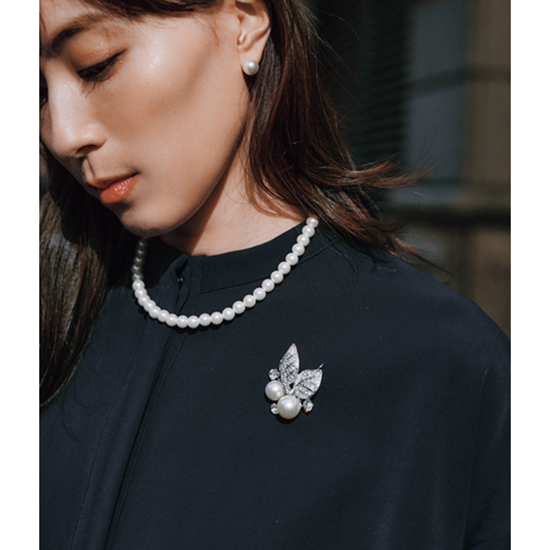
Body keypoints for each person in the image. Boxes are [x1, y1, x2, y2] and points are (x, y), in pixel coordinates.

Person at [39, 0, 510, 548]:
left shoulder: (443, 362)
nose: (62, 134)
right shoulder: (47, 312)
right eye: (34, 93)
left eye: (96, 64)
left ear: (245, 21)